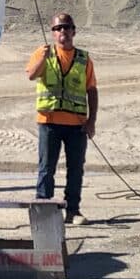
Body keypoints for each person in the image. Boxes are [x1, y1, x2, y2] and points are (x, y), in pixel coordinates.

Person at [26, 12, 98, 225]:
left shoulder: (84, 59)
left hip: (76, 125)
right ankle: (44, 211)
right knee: (46, 168)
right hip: (49, 122)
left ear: (74, 31)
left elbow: (91, 90)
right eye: (58, 28)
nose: (63, 32)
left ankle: (73, 210)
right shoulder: (42, 53)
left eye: (66, 27)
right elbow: (31, 75)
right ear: (53, 33)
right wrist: (43, 58)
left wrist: (91, 120)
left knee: (76, 169)